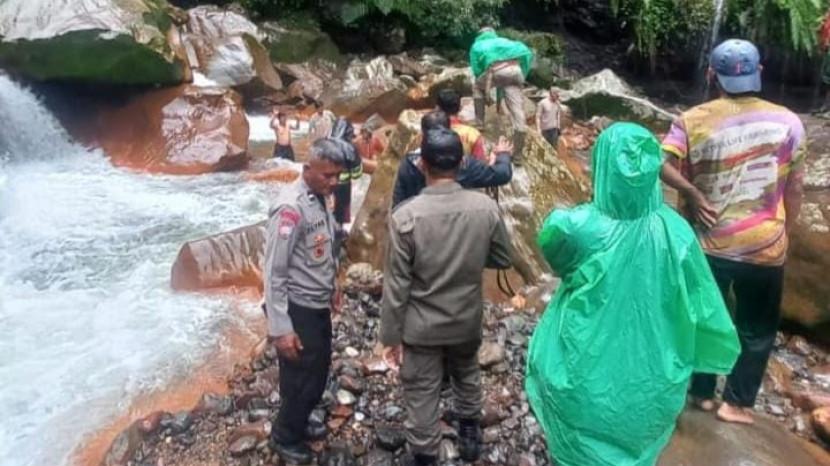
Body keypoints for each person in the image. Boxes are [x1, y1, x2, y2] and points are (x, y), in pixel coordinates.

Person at [525, 122, 740, 466]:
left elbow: (553, 248)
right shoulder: (677, 230)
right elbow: (702, 304)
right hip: (651, 368)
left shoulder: (575, 226)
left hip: (585, 356)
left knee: (579, 427)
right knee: (639, 429)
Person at [660, 39, 807, 424]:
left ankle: (702, 394)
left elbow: (661, 164)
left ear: (711, 75)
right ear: (760, 72)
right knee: (757, 328)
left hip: (708, 244)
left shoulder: (691, 120)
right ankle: (736, 403)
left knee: (706, 317)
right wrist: (785, 232)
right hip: (765, 246)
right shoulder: (790, 122)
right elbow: (795, 187)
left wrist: (691, 193)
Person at [381, 127, 513, 466]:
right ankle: (469, 434)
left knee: (421, 388)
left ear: (422, 164)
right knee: (466, 372)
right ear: (463, 163)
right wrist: (470, 257)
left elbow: (396, 286)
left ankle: (426, 453)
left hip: (421, 326)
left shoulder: (405, 217)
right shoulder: (485, 207)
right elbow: (503, 258)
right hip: (466, 318)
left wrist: (390, 338)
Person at [263, 138, 346, 464]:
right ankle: (284, 436)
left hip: (317, 303)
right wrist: (281, 329)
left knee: (314, 371)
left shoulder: (321, 197)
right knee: (304, 376)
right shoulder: (290, 209)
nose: (334, 182)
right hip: (298, 308)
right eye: (328, 175)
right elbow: (273, 273)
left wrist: (333, 284)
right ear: (307, 169)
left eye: (338, 175)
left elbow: (325, 245)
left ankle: (298, 418)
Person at [392, 110, 513, 208]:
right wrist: (502, 154)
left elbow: (398, 203)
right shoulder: (466, 165)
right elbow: (502, 174)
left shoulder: (409, 164)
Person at [469, 27, 533, 154]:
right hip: (516, 71)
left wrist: (485, 87)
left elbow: (476, 70)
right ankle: (517, 153)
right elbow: (527, 53)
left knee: (477, 87)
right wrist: (523, 75)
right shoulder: (504, 41)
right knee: (517, 112)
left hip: (496, 70)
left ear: (480, 35)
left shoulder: (477, 45)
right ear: (493, 34)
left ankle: (480, 123)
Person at [329, 117, 362, 229]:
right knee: (341, 215)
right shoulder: (350, 148)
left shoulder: (326, 143)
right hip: (343, 186)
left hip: (326, 184)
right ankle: (339, 231)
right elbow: (357, 174)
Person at [436, 89, 487, 161]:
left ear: (437, 108)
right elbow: (480, 162)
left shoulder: (428, 133)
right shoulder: (472, 134)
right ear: (460, 108)